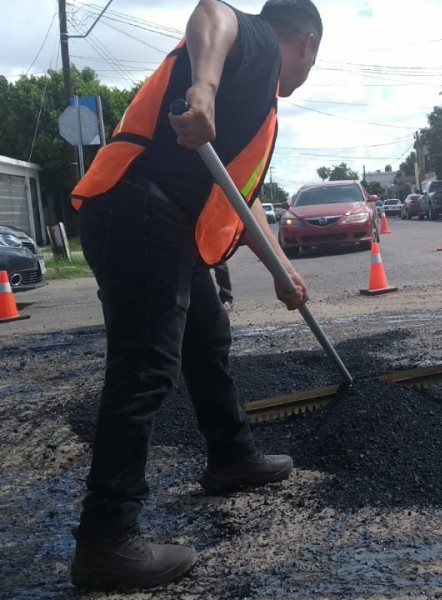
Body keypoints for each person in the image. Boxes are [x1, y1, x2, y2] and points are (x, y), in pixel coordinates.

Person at [67, 0, 321, 589]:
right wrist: (202, 89)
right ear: (307, 45)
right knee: (145, 370)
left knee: (207, 338)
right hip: (140, 209)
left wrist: (283, 270)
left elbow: (239, 196)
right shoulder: (255, 46)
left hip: (159, 221)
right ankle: (106, 537)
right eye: (311, 59)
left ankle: (231, 457)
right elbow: (214, 11)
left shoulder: (255, 104)